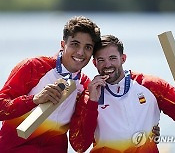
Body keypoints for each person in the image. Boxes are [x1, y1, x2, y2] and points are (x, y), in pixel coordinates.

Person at [0, 16, 101, 153]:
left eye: (88, 47)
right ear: (63, 44)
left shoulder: (85, 87)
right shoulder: (33, 67)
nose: (80, 52)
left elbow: (79, 145)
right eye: (75, 44)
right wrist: (34, 100)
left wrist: (92, 103)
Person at [69, 35, 175, 153]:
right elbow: (79, 145)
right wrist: (92, 103)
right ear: (95, 63)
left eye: (112, 58)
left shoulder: (150, 85)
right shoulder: (89, 95)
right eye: (101, 60)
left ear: (123, 59)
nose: (107, 65)